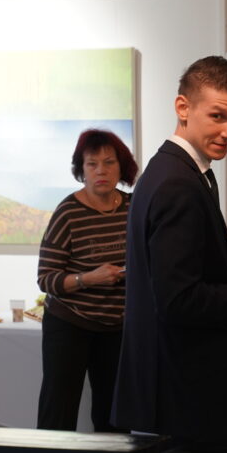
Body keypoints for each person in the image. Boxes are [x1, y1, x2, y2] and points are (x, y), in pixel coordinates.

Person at [111, 55, 227, 443]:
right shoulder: (176, 183)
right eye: (218, 116)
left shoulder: (173, 172)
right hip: (188, 398)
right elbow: (177, 298)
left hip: (179, 393)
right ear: (183, 108)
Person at [36, 128, 138, 432]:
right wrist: (89, 279)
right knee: (58, 409)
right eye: (92, 164)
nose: (101, 171)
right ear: (81, 170)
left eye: (109, 162)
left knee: (115, 415)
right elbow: (46, 279)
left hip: (117, 326)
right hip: (69, 323)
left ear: (121, 167)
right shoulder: (68, 212)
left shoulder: (134, 207)